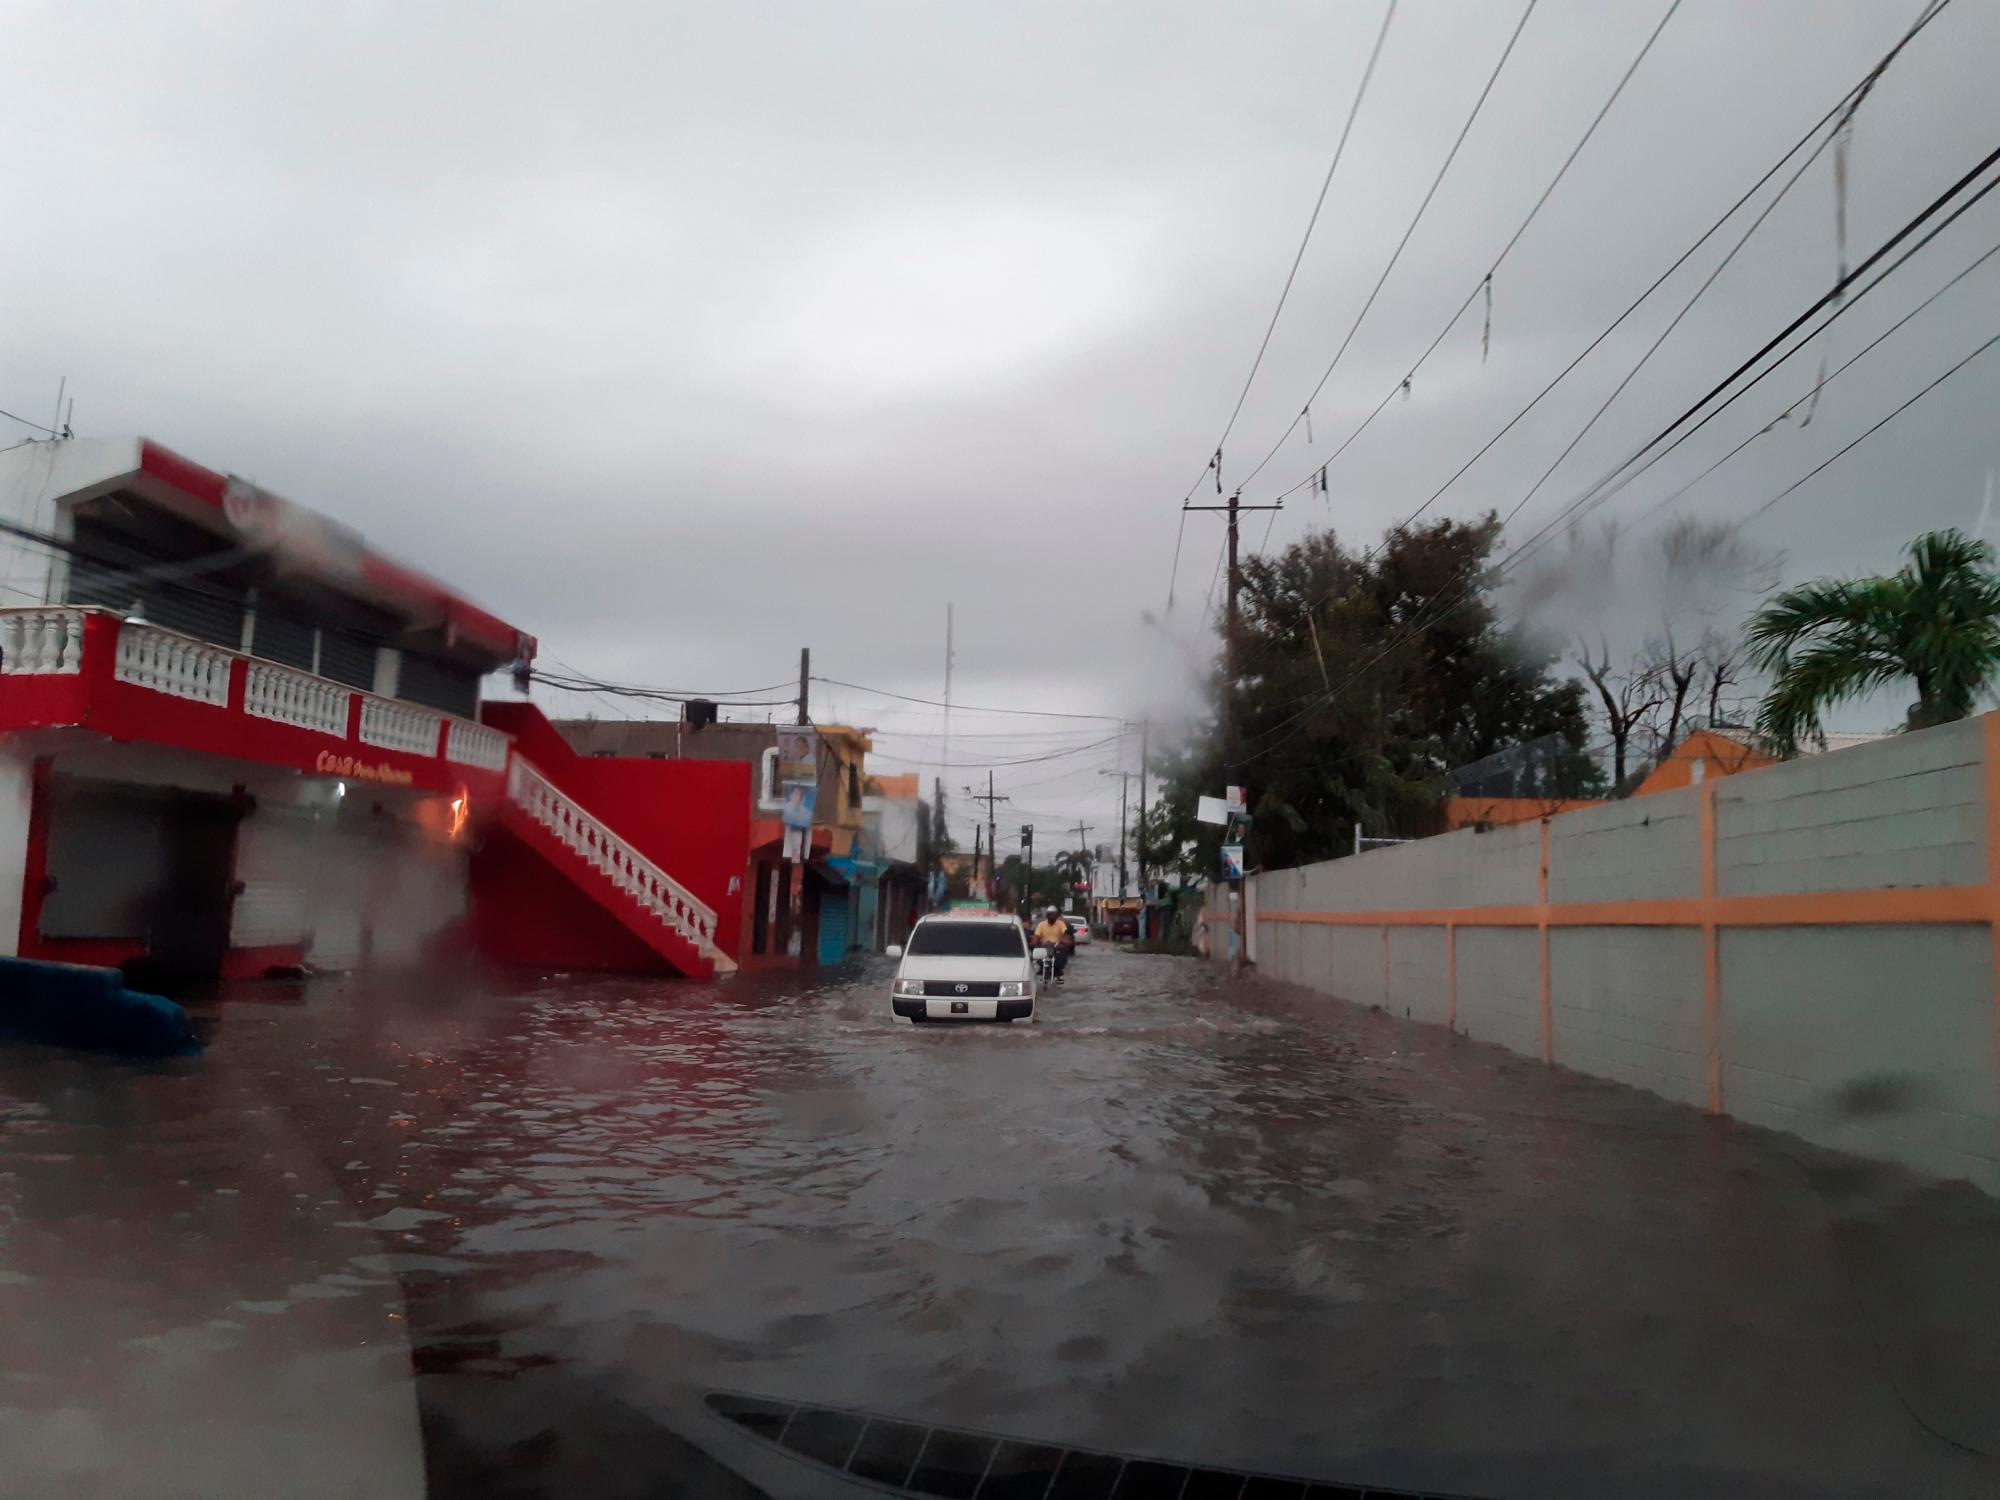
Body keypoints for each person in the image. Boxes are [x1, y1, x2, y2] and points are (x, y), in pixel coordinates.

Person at [1032, 908, 1070, 982]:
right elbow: (1036, 937)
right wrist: (1035, 943)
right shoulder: (1041, 925)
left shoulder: (1061, 924)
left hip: (1056, 946)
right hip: (1044, 946)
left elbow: (1065, 934)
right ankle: (1042, 968)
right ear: (1047, 915)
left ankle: (1058, 972)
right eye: (1051, 915)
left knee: (1063, 952)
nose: (1053, 917)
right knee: (1037, 954)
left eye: (1055, 915)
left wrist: (1064, 941)